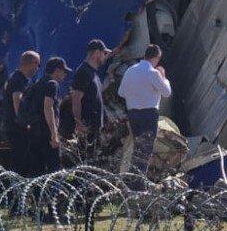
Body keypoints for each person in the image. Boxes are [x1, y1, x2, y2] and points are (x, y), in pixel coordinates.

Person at [117, 44, 172, 179]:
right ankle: (137, 182)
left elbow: (121, 92)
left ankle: (132, 177)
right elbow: (166, 92)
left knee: (138, 147)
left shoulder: (130, 70)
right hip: (148, 114)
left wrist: (135, 94)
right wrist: (163, 77)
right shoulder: (152, 73)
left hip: (133, 114)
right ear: (156, 58)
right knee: (145, 150)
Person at [24, 56, 69, 176]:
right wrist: (54, 134)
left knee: (36, 169)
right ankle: (51, 194)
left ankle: (35, 193)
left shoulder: (38, 83)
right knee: (53, 169)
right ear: (57, 70)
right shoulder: (52, 84)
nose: (65, 75)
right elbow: (48, 107)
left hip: (34, 131)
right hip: (46, 133)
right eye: (64, 71)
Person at [1, 50, 39, 175]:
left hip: (16, 126)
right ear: (30, 63)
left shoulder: (19, 78)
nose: (37, 69)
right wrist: (25, 123)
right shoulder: (18, 80)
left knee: (22, 159)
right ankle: (15, 188)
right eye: (37, 65)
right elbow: (17, 101)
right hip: (17, 127)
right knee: (19, 160)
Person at [70, 38, 108, 160]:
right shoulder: (83, 72)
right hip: (86, 127)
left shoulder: (93, 73)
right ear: (97, 52)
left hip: (95, 127)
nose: (105, 56)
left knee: (93, 160)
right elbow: (76, 99)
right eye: (104, 53)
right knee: (85, 160)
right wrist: (78, 123)